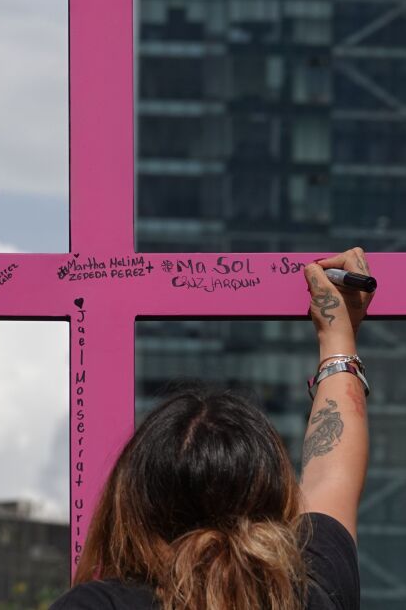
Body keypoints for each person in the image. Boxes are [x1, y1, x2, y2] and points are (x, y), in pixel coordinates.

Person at [51, 247, 372, 610]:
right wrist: (339, 334)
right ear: (274, 500)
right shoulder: (309, 595)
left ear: (132, 503)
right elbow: (332, 476)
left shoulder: (99, 605)